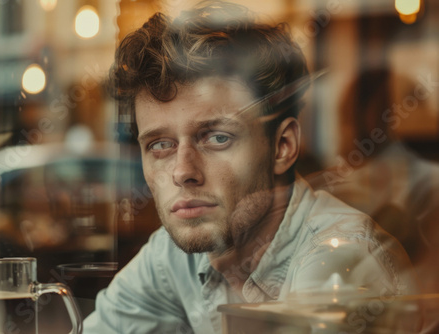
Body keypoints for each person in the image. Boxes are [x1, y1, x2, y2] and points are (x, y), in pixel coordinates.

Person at [84, 2, 416, 333]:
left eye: (216, 138)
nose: (182, 171)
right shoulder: (171, 257)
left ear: (282, 146)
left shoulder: (341, 255)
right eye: (160, 145)